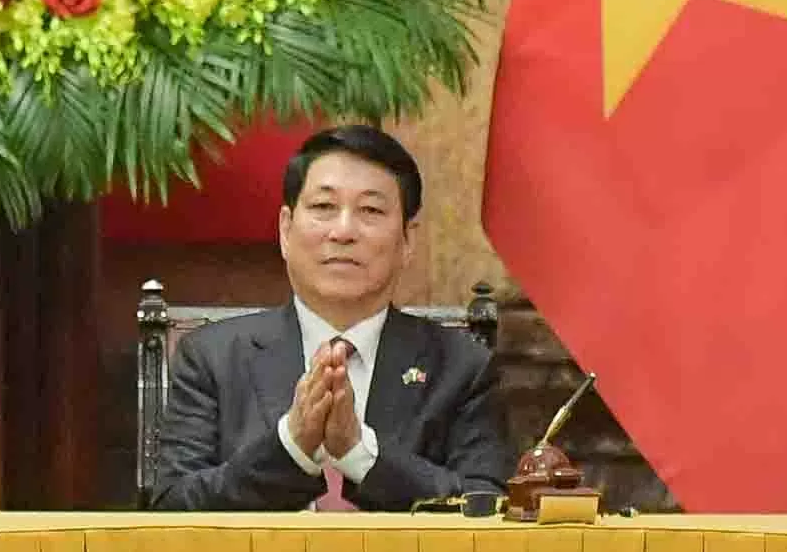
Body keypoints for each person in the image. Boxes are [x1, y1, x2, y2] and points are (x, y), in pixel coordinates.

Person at [143, 124, 511, 509]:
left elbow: (485, 507)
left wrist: (360, 454)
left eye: (370, 210)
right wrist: (290, 446)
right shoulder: (212, 358)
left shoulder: (462, 368)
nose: (343, 231)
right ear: (286, 230)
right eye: (323, 207)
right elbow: (172, 509)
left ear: (407, 240)